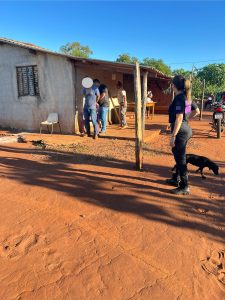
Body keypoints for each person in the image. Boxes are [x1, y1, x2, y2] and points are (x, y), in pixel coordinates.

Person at [166, 75, 200, 195]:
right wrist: (186, 120)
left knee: (180, 159)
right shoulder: (187, 97)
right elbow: (196, 111)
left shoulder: (179, 98)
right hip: (186, 129)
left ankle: (185, 186)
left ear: (174, 86)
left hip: (180, 132)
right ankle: (176, 179)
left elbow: (179, 117)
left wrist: (173, 135)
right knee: (179, 155)